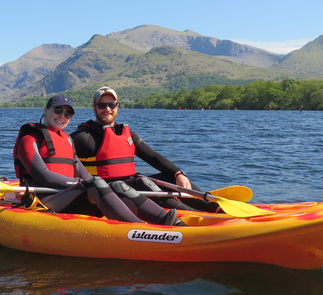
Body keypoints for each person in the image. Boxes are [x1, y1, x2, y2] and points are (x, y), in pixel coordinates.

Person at [13, 94, 185, 226]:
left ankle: (167, 221)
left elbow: (85, 174)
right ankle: (140, 228)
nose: (62, 116)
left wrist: (107, 188)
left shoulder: (67, 140)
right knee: (94, 183)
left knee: (116, 185)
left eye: (68, 113)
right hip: (46, 202)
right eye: (58, 110)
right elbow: (45, 177)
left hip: (71, 199)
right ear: (46, 110)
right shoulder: (29, 139)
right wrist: (80, 183)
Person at [70, 87, 219, 212]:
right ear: (94, 107)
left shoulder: (126, 134)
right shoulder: (82, 137)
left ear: (117, 107)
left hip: (131, 186)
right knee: (143, 182)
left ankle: (215, 208)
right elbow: (62, 160)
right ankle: (194, 215)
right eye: (102, 105)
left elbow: (152, 157)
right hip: (106, 192)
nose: (107, 109)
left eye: (112, 105)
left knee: (171, 178)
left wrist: (178, 173)